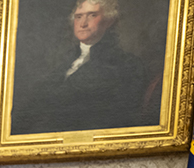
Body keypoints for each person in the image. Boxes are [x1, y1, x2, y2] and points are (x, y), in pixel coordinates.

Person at [13, 0, 149, 134]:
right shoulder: (63, 63)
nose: (83, 23)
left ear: (109, 20)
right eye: (78, 17)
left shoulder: (128, 65)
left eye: (92, 15)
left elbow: (117, 118)